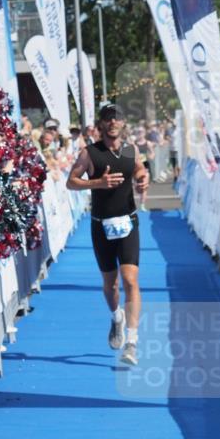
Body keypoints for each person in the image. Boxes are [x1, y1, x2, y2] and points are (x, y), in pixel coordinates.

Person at [66, 103, 149, 366]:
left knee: (130, 280)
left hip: (128, 223)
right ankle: (117, 318)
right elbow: (71, 181)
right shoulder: (89, 153)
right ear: (101, 124)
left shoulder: (130, 150)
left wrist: (142, 177)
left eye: (117, 118)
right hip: (101, 225)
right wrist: (97, 183)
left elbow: (138, 169)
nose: (113, 122)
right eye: (108, 119)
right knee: (110, 284)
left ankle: (132, 343)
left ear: (123, 124)